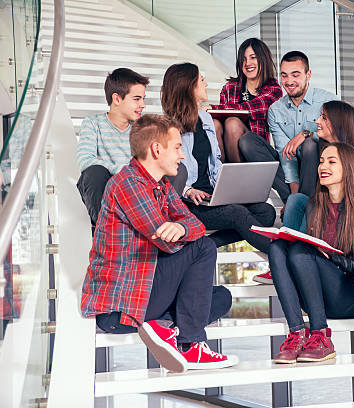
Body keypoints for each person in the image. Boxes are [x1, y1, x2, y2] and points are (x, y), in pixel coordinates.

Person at [81, 114, 238, 372]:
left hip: (146, 296)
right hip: (120, 308)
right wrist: (182, 230)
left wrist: (181, 226)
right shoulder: (128, 184)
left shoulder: (161, 185)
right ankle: (191, 344)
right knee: (204, 248)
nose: (182, 155)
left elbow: (195, 224)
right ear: (156, 149)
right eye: (177, 147)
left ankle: (166, 328)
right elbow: (168, 244)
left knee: (222, 297)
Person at [253, 100, 354, 284]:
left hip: (349, 214)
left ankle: (299, 261)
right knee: (297, 200)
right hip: (320, 206)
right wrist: (305, 134)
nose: (317, 120)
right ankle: (282, 266)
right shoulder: (316, 148)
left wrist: (346, 166)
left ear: (337, 122)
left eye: (324, 117)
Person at [269, 143, 354, 364]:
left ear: (349, 168)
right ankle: (296, 333)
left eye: (331, 161)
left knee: (299, 251)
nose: (323, 166)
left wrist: (330, 256)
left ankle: (321, 335)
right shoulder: (315, 204)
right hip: (313, 295)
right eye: (321, 161)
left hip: (347, 296)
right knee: (277, 247)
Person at [161, 62, 276, 253]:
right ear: (189, 87)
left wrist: (228, 188)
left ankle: (209, 244)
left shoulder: (205, 119)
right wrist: (189, 190)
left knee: (266, 212)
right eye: (202, 80)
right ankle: (281, 254)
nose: (205, 84)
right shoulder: (166, 128)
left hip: (212, 195)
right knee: (236, 213)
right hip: (190, 203)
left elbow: (215, 164)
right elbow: (166, 175)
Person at [240, 51, 338, 199]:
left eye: (295, 74)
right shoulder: (275, 109)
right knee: (247, 141)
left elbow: (339, 136)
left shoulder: (328, 100)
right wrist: (293, 191)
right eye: (284, 75)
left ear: (308, 74)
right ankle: (295, 200)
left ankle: (306, 202)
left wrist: (307, 134)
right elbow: (284, 152)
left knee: (310, 144)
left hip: (319, 169)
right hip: (288, 175)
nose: (289, 81)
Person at [76, 68, 149, 226]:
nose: (142, 105)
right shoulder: (93, 123)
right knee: (94, 172)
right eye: (136, 99)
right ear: (117, 99)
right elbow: (84, 160)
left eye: (143, 99)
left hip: (131, 191)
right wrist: (119, 170)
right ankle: (105, 230)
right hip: (102, 191)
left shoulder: (141, 129)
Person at [207, 38, 282, 164]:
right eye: (244, 59)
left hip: (255, 150)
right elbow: (221, 117)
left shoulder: (273, 89)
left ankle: (238, 175)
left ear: (263, 59)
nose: (247, 63)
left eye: (253, 57)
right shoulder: (229, 88)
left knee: (233, 123)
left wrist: (212, 108)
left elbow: (253, 108)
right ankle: (218, 173)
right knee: (214, 124)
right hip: (227, 148)